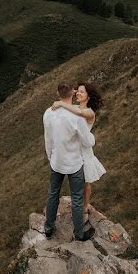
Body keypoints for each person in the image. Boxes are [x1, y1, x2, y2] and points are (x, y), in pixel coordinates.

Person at [43, 82, 96, 241]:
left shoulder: (48, 113)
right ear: (73, 93)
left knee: (53, 195)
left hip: (57, 162)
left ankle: (48, 229)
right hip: (74, 164)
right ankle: (79, 234)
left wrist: (50, 157)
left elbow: (48, 139)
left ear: (58, 93)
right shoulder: (77, 117)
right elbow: (88, 142)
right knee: (77, 198)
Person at [51, 82, 105, 223]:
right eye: (78, 91)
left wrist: (61, 103)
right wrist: (68, 96)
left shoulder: (89, 112)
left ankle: (84, 206)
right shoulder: (74, 107)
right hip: (73, 148)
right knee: (76, 181)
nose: (78, 93)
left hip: (84, 150)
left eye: (82, 92)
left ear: (88, 96)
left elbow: (79, 113)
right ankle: (77, 204)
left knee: (85, 182)